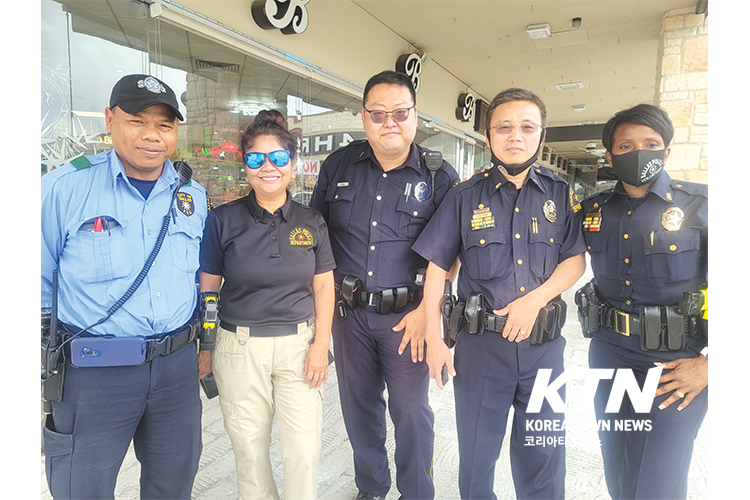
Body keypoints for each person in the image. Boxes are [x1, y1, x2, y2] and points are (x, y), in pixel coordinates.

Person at [413, 87, 586, 499]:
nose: (515, 136)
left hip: (543, 348)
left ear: (541, 136)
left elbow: (575, 261)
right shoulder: (464, 196)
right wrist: (435, 340)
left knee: (543, 456)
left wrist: (534, 300)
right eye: (504, 127)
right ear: (488, 136)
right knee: (477, 458)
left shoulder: (560, 195)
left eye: (527, 127)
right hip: (481, 350)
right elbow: (437, 267)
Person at [40, 74, 209, 499]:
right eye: (137, 120)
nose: (152, 135)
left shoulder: (193, 195)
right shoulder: (63, 188)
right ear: (109, 120)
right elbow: (34, 280)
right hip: (94, 373)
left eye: (165, 125)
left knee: (173, 487)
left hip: (176, 369)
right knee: (83, 489)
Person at [310, 70, 459, 500]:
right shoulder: (339, 164)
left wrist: (426, 315)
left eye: (399, 113)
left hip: (407, 319)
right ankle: (371, 488)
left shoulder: (438, 176)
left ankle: (416, 493)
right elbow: (317, 236)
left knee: (412, 414)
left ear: (415, 116)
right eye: (378, 114)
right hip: (349, 315)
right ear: (363, 117)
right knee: (359, 411)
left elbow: (450, 256)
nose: (388, 122)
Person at [198, 109, 336, 500]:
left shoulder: (312, 222)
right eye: (257, 159)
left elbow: (324, 289)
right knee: (250, 454)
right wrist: (206, 348)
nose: (268, 167)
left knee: (304, 452)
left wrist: (320, 347)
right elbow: (208, 291)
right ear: (246, 165)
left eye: (278, 158)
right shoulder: (222, 220)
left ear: (292, 163)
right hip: (238, 349)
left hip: (299, 348)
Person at [575, 103, 708, 499]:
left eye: (651, 144)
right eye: (627, 145)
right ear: (611, 155)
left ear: (666, 152)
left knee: (659, 483)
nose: (639, 153)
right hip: (610, 354)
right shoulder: (592, 209)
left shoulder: (700, 206)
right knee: (619, 471)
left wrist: (711, 364)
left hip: (676, 364)